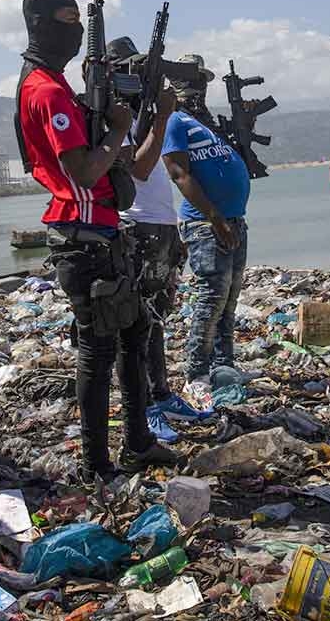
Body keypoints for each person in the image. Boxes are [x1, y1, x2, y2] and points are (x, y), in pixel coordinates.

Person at [14, 0, 177, 481]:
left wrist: (116, 140)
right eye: (67, 19)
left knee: (134, 334)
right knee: (97, 351)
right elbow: (83, 172)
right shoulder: (45, 90)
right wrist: (115, 129)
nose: (76, 30)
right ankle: (96, 462)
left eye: (79, 20)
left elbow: (108, 164)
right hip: (82, 235)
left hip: (101, 231)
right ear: (41, 24)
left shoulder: (56, 86)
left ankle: (138, 442)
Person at [106, 38, 208, 443]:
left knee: (155, 319)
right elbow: (141, 169)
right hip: (136, 226)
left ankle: (161, 394)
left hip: (161, 224)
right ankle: (144, 406)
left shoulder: (138, 111)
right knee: (135, 325)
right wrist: (163, 117)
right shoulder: (112, 115)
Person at [163, 54, 252, 382]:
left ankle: (223, 367)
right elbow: (178, 172)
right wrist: (215, 218)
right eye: (194, 80)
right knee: (211, 299)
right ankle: (197, 373)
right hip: (206, 225)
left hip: (232, 221)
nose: (200, 87)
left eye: (203, 81)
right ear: (178, 83)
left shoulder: (205, 122)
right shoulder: (174, 121)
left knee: (229, 300)